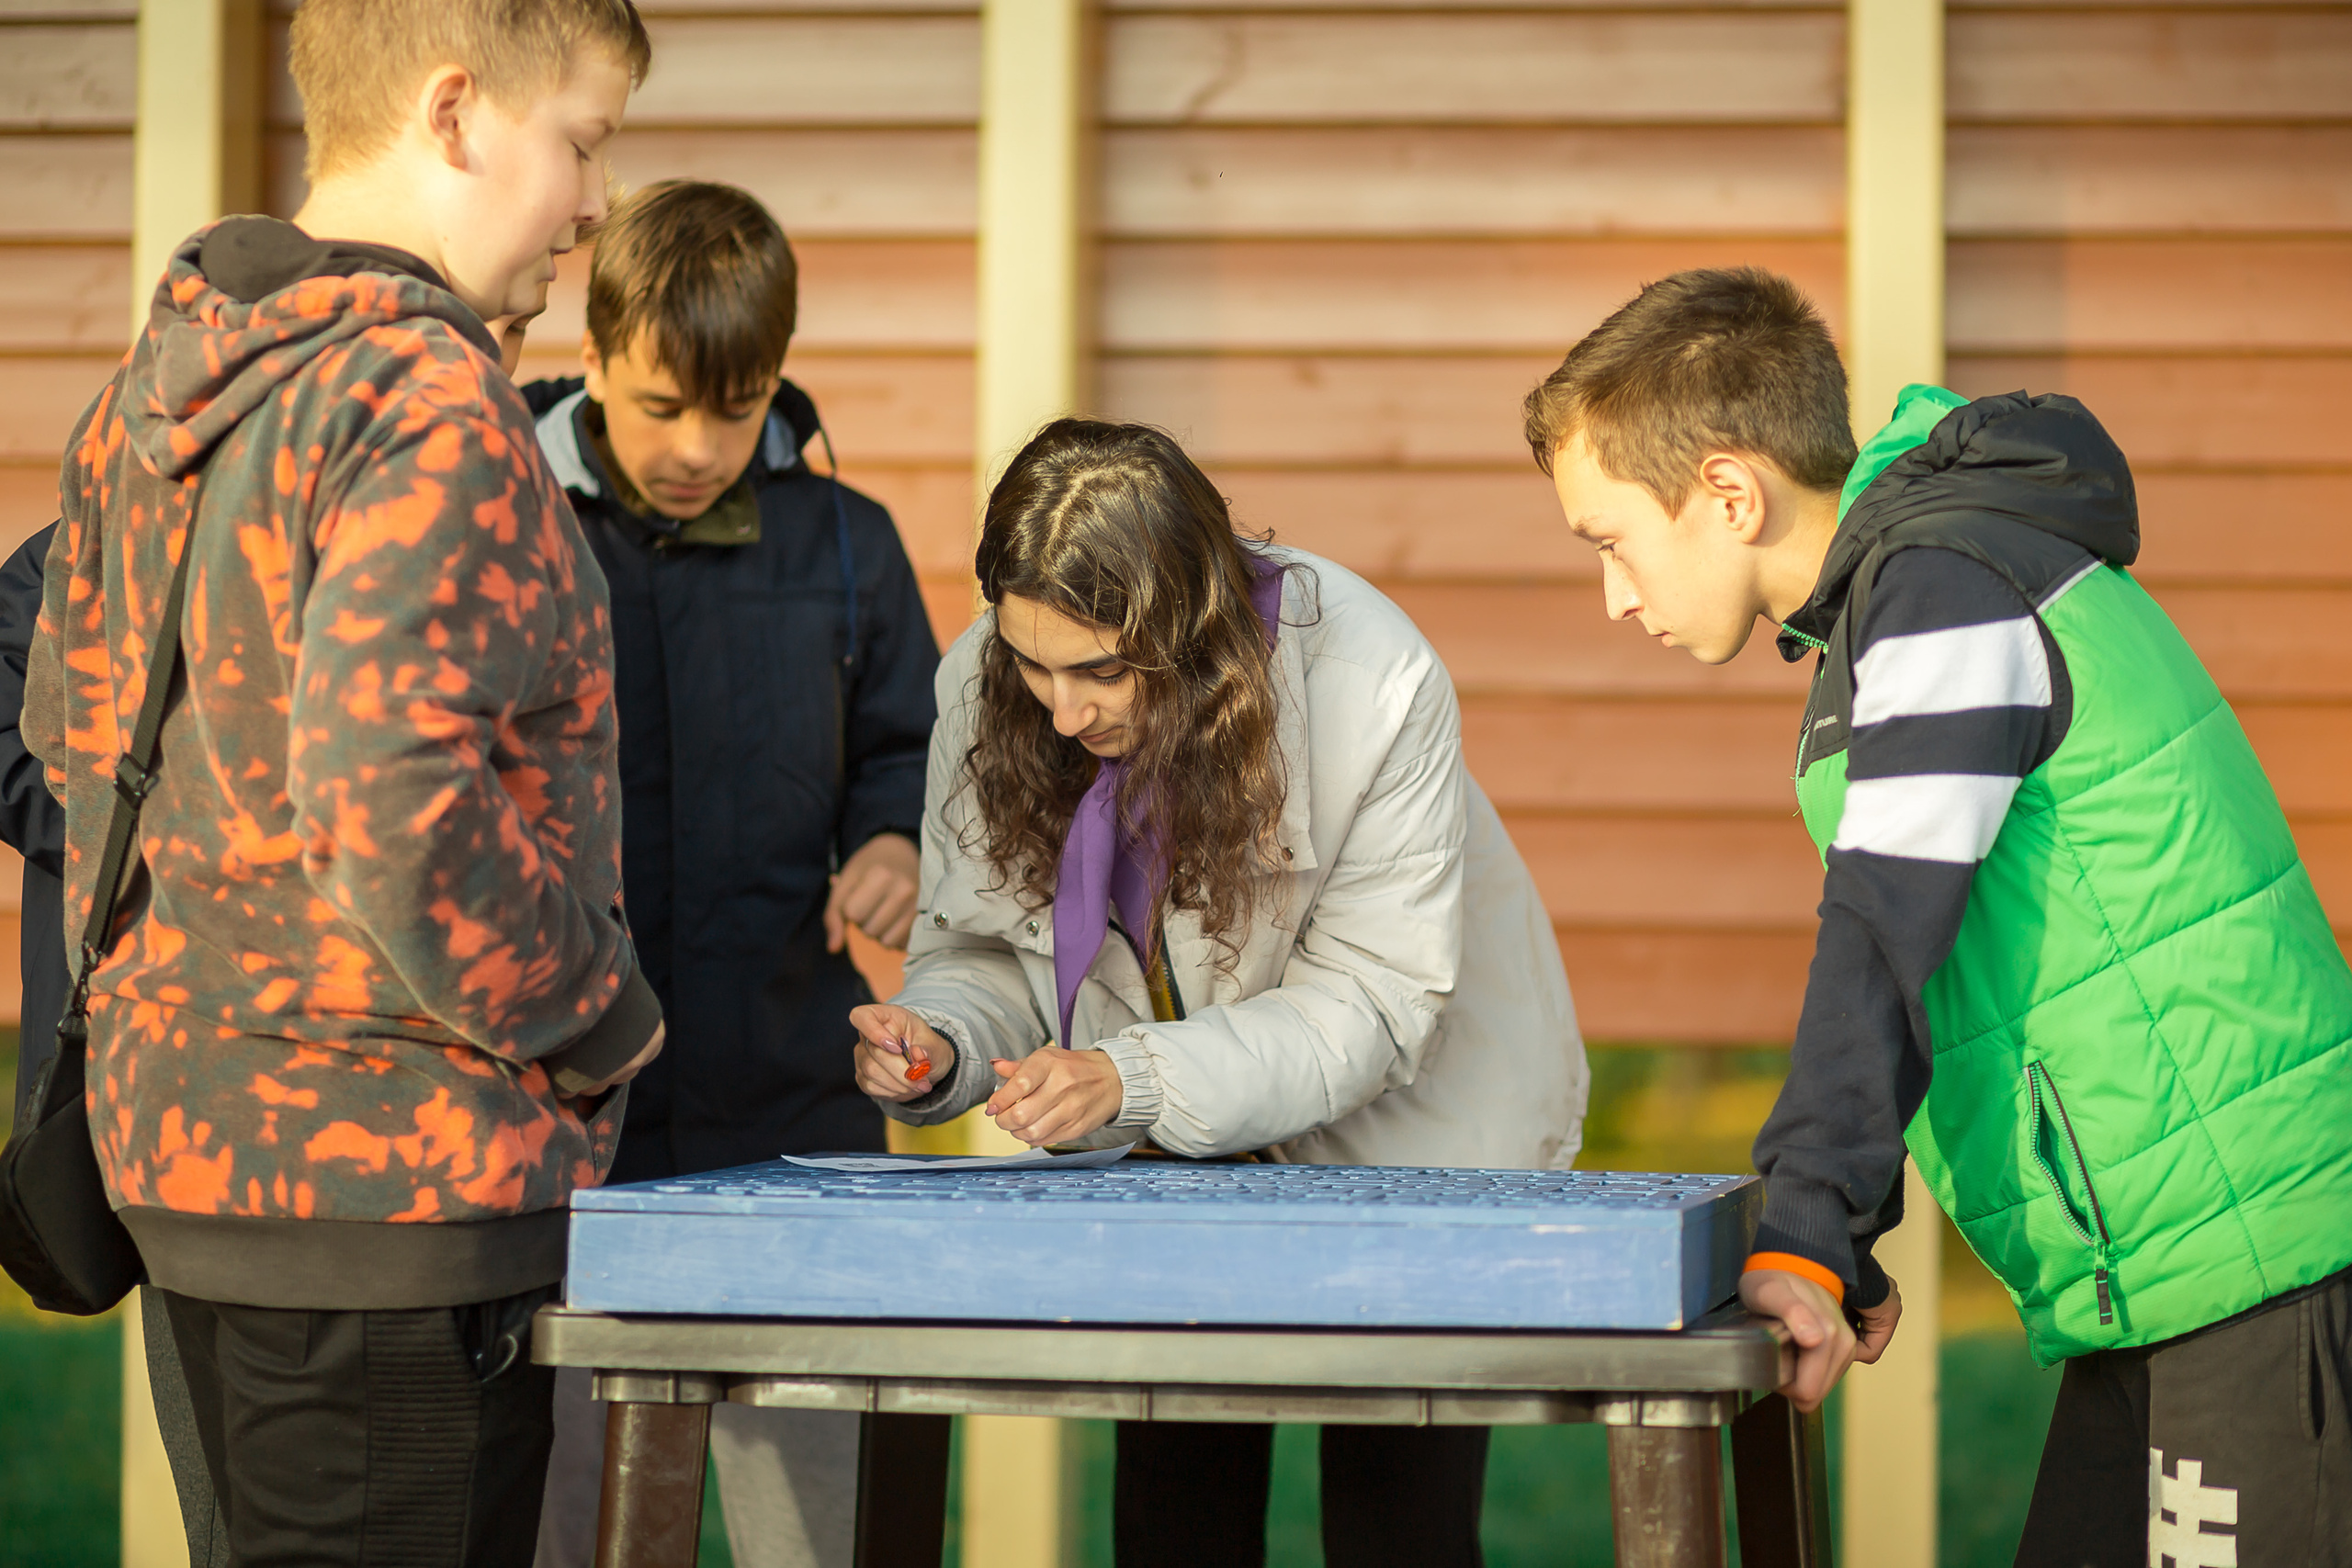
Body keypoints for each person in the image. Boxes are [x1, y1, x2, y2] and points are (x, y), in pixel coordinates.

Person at [1525, 266, 2352, 1565]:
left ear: (1730, 493)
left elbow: (1881, 931)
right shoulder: (1904, 599)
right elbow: (1955, 957)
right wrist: (1838, 1226)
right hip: (2172, 1263)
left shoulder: (1942, 589)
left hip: (2257, 1255)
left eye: (1612, 540)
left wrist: (1811, 1228)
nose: (1615, 595)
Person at [21, 3, 665, 1562]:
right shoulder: (424, 396)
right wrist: (596, 1010)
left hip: (188, 1164)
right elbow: (394, 792)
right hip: (395, 1198)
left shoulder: (147, 400)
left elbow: (70, 737)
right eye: (582, 140)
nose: (594, 203)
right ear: (455, 115)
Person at [854, 419, 1588, 1568]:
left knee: (1399, 1530)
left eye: (1100, 671)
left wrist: (1128, 1078)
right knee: (1173, 1510)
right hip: (1171, 1140)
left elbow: (1370, 1003)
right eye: (1032, 664)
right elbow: (986, 951)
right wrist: (942, 1043)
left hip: (1410, 1132)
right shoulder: (980, 684)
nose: (1060, 710)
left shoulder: (1374, 677)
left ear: (1192, 636)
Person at [523, 181, 939, 1568]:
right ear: (590, 356)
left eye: (739, 404)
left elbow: (914, 745)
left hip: (789, 1123)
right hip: (557, 1134)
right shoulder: (498, 516)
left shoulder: (847, 545)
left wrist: (892, 834)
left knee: (823, 1530)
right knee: (565, 1523)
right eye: (658, 406)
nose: (699, 446)